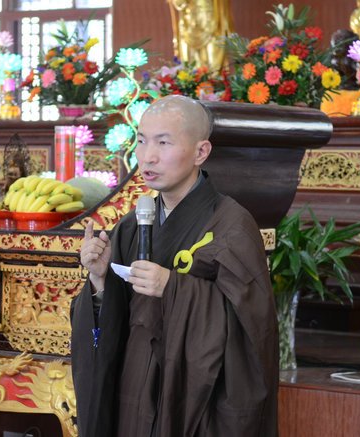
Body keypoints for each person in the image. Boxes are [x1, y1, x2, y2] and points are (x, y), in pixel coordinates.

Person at [71, 95, 279, 437]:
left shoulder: (232, 226)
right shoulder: (132, 225)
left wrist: (173, 287)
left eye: (163, 143)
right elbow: (111, 325)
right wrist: (99, 281)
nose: (148, 156)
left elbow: (250, 329)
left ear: (201, 152)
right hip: (133, 391)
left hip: (193, 398)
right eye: (141, 141)